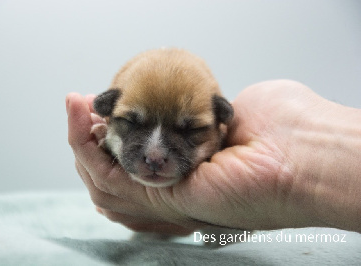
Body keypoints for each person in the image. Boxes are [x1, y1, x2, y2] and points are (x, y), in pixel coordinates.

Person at [66, 80, 361, 235]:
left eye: (191, 129)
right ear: (108, 108)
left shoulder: (231, 136)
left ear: (222, 121)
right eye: (131, 122)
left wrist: (287, 177)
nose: (154, 155)